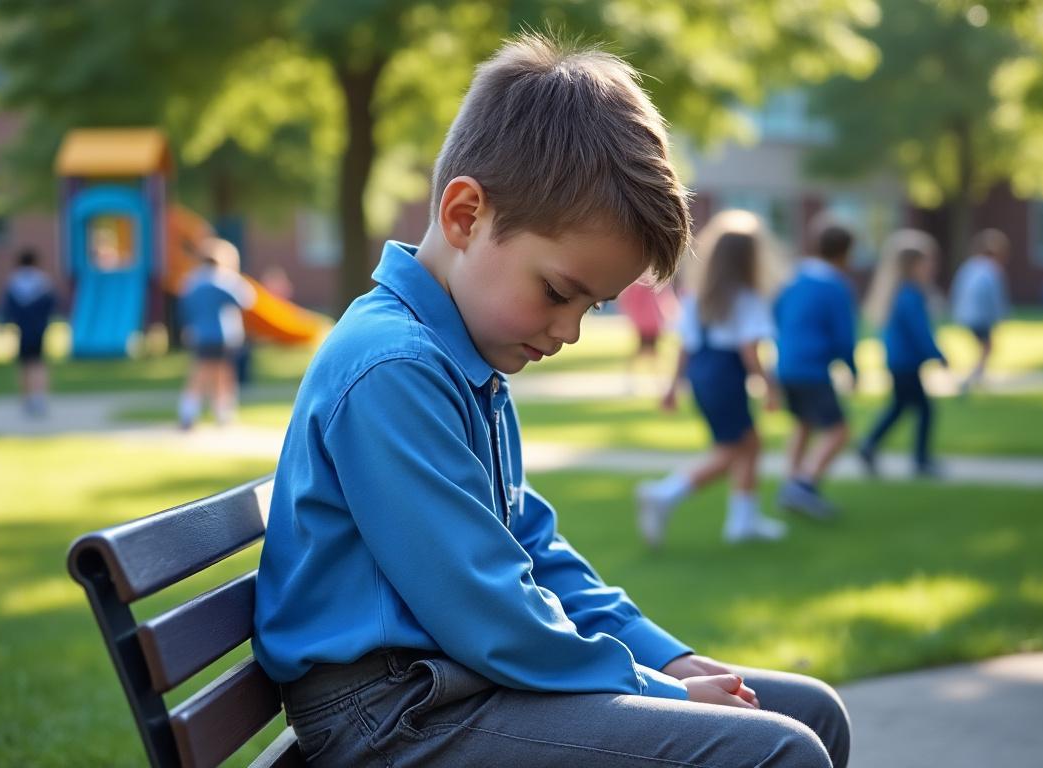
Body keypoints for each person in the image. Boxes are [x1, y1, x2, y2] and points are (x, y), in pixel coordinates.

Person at [253, 35, 849, 768]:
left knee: (811, 712)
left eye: (593, 307)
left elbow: (532, 549)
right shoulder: (395, 369)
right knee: (779, 754)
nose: (568, 330)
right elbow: (489, 612)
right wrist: (653, 688)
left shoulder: (456, 356)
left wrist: (673, 659)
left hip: (454, 686)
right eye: (560, 292)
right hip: (393, 718)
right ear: (466, 215)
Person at [636, 210, 787, 548]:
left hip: (702, 376)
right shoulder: (747, 297)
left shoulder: (696, 296)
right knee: (737, 448)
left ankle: (743, 521)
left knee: (747, 444)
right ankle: (665, 493)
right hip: (727, 375)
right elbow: (751, 350)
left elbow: (685, 347)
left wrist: (672, 387)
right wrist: (769, 388)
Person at [772, 222, 858, 520]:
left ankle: (791, 482)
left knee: (803, 422)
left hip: (786, 364)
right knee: (839, 430)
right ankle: (804, 484)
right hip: (812, 368)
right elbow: (844, 335)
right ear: (846, 252)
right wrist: (852, 368)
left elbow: (777, 315)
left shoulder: (794, 278)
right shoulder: (835, 285)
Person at [857, 230, 947, 478]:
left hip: (899, 361)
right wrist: (937, 355)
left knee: (899, 407)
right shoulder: (909, 295)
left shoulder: (899, 293)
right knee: (924, 410)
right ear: (913, 265)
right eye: (926, 263)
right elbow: (920, 331)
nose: (931, 268)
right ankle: (920, 459)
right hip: (905, 362)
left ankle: (869, 445)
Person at [176, 237, 256, 429]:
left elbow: (185, 307)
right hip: (222, 334)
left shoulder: (192, 281)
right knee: (223, 374)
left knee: (199, 373)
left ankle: (188, 412)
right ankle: (223, 414)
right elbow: (246, 300)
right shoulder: (223, 280)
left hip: (200, 334)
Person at [0, 248, 58, 417]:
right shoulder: (43, 281)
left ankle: (26, 399)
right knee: (38, 363)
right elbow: (51, 304)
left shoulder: (15, 281)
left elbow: (7, 307)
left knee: (24, 365)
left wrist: (2, 325)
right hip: (39, 329)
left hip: (23, 330)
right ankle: (39, 397)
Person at [950, 228, 1011, 394]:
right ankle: (972, 379)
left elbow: (958, 290)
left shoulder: (969, 266)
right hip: (980, 316)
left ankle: (978, 376)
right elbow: (993, 296)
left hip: (967, 314)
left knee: (985, 347)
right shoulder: (991, 269)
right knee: (987, 347)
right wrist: (1000, 315)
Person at [617, 272, 678, 385]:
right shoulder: (650, 281)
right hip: (651, 321)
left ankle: (634, 377)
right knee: (648, 351)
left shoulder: (639, 282)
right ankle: (655, 379)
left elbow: (626, 299)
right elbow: (664, 299)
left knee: (646, 350)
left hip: (646, 321)